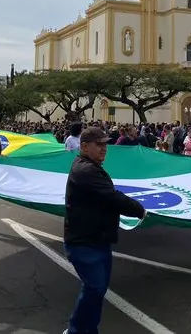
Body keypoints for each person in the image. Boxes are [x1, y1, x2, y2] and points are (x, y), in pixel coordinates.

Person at [62, 127, 147, 334]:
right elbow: (112, 196)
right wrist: (140, 210)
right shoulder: (86, 170)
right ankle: (76, 330)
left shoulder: (91, 167)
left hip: (97, 240)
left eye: (105, 144)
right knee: (95, 288)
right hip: (84, 242)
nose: (104, 148)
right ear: (83, 147)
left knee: (97, 291)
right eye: (98, 145)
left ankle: (88, 329)